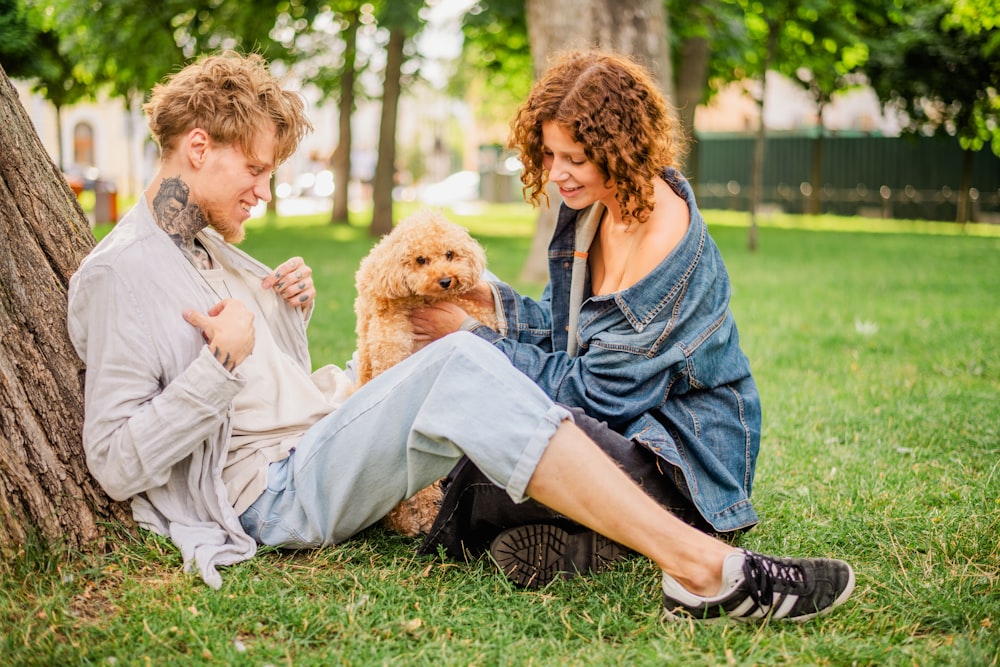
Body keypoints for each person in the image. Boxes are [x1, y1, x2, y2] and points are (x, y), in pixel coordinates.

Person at [67, 50, 854, 623]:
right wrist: (222, 362)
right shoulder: (122, 272)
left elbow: (263, 390)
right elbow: (113, 460)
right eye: (257, 171)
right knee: (457, 375)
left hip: (319, 437)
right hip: (268, 495)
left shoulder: (200, 243)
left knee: (464, 388)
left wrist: (279, 321)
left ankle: (658, 545)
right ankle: (705, 567)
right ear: (197, 148)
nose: (266, 193)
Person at [412, 49, 766, 583]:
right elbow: (568, 337)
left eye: (573, 158)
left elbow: (596, 395)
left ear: (622, 150)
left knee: (495, 452)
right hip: (619, 425)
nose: (556, 175)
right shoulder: (596, 207)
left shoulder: (664, 254)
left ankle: (648, 528)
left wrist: (469, 337)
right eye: (550, 155)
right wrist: (490, 303)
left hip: (680, 461)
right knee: (487, 440)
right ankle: (595, 533)